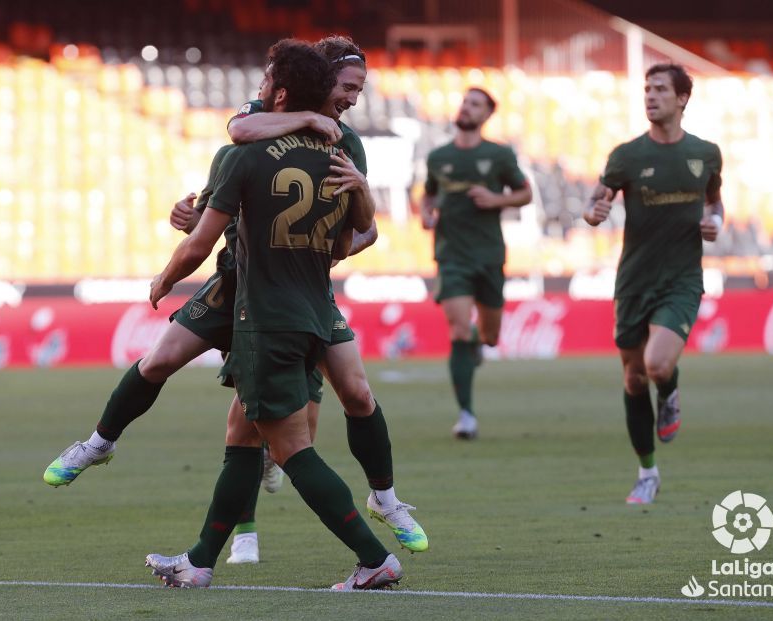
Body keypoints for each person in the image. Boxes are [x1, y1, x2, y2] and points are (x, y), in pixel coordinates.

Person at [42, 36, 426, 562]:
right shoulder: (261, 120)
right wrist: (196, 214)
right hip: (235, 281)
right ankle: (100, 444)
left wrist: (324, 243)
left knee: (345, 399)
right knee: (161, 360)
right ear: (318, 83)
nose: (353, 99)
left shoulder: (345, 144)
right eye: (348, 87)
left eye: (359, 89)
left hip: (294, 292)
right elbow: (235, 146)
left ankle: (380, 502)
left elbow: (363, 231)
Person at [143, 39, 403, 590]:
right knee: (242, 435)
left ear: (279, 90)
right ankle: (199, 562)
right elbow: (353, 235)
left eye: (265, 81)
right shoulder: (331, 149)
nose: (352, 100)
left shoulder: (251, 151)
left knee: (291, 450)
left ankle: (374, 556)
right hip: (309, 306)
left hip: (264, 314)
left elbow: (200, 242)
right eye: (347, 89)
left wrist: (165, 281)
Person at [583, 63, 723, 505]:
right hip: (634, 281)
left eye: (660, 89)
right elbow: (596, 200)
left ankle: (672, 388)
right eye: (646, 89)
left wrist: (715, 220)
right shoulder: (627, 156)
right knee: (633, 378)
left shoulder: (706, 153)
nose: (650, 95)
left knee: (658, 366)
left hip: (681, 279)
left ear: (682, 99)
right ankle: (647, 472)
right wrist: (593, 214)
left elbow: (716, 201)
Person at [421, 88, 532, 440]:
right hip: (451, 254)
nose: (466, 107)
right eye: (465, 101)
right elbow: (428, 193)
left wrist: (496, 199)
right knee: (456, 328)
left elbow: (525, 193)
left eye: (475, 104)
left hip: (488, 256)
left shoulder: (498, 154)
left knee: (490, 336)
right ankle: (466, 415)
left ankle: (476, 344)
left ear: (486, 115)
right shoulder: (438, 157)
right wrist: (426, 213)